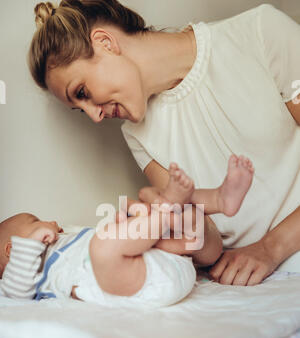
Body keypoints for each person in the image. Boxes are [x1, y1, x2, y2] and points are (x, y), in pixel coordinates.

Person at [28, 1, 300, 286]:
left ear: (105, 42)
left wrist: (270, 248)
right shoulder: (137, 135)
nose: (95, 116)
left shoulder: (259, 33)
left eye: (82, 92)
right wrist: (172, 222)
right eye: (80, 108)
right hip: (248, 280)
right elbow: (209, 245)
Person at [0, 156, 253, 306]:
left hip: (169, 263)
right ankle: (167, 209)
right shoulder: (24, 276)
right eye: (35, 220)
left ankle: (219, 200)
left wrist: (126, 222)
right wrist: (31, 243)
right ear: (12, 249)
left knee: (143, 200)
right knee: (104, 247)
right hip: (137, 285)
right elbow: (15, 293)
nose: (51, 222)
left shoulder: (66, 239)